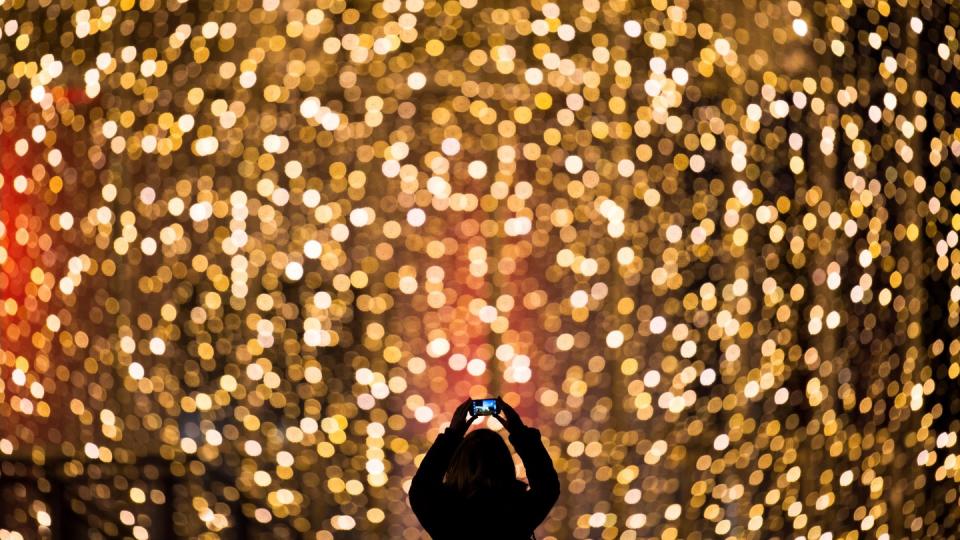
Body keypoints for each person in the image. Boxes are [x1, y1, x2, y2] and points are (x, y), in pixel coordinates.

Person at [409, 397, 561, 540]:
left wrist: (452, 435)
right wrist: (520, 432)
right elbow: (547, 486)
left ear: (458, 464)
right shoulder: (518, 511)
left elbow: (421, 488)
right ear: (505, 464)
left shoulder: (443, 512)